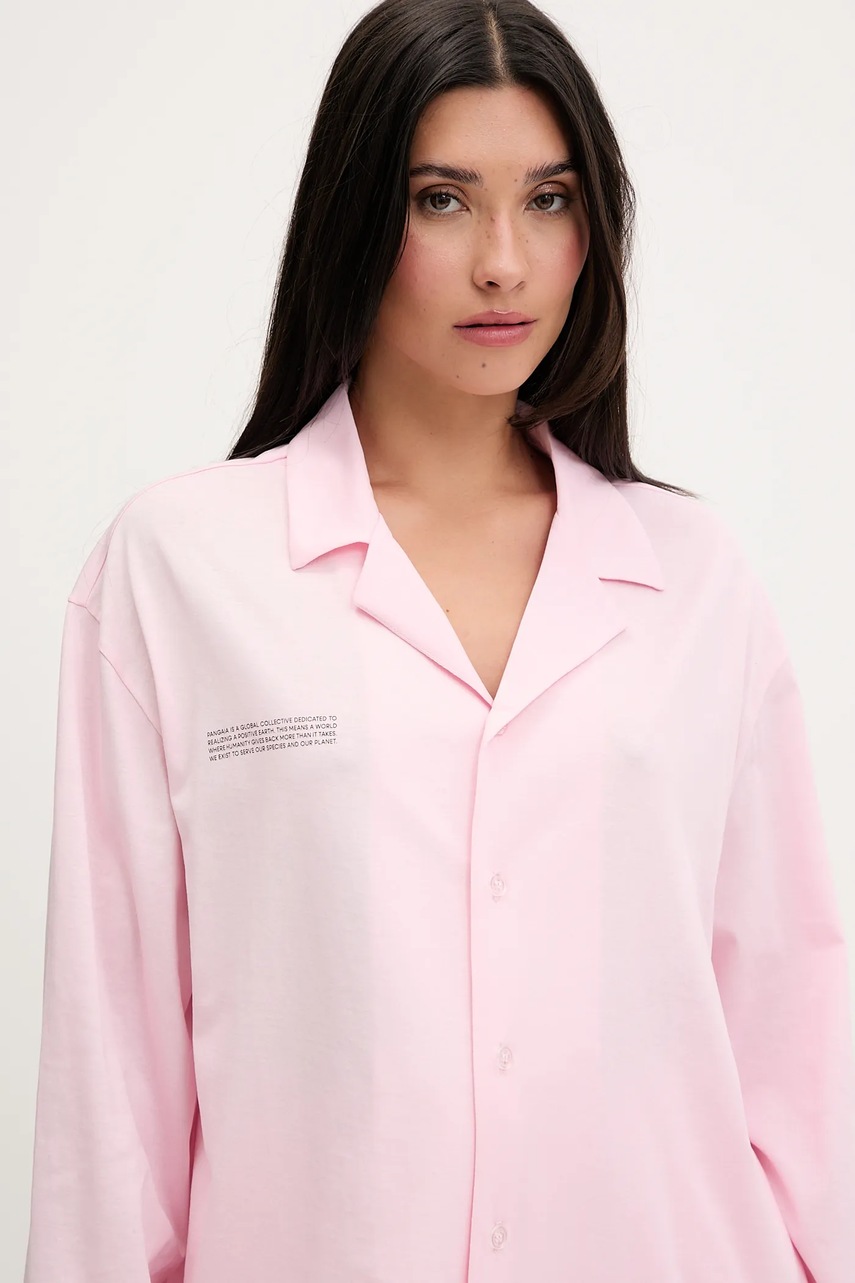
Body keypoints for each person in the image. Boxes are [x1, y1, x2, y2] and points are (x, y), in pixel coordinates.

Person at [23, 1, 855, 1280]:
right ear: (356, 214)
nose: (505, 263)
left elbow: (797, 1042)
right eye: (443, 200)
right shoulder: (182, 569)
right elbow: (111, 1080)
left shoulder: (696, 579)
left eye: (550, 199)